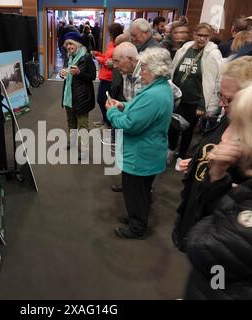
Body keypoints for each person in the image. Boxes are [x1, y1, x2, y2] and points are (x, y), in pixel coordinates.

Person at [184, 71, 252, 299]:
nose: (237, 134)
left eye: (245, 125)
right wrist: (217, 175)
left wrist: (218, 217)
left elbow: (206, 250)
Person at [171, 56, 252, 253]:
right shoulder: (230, 118)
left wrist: (220, 176)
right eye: (221, 96)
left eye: (228, 99)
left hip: (219, 238)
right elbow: (211, 146)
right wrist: (197, 161)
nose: (221, 104)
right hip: (194, 214)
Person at [105, 47, 173, 239]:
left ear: (155, 70)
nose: (140, 72)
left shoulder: (154, 95)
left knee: (135, 191)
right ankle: (136, 215)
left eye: (143, 68)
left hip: (140, 154)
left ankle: (137, 226)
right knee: (141, 191)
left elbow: (129, 125)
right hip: (148, 151)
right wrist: (123, 105)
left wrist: (112, 112)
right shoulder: (160, 89)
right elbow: (139, 110)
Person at [168, 23, 222, 162]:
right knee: (172, 125)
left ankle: (181, 156)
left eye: (206, 36)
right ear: (194, 34)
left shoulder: (213, 54)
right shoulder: (185, 49)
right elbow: (173, 70)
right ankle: (170, 150)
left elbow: (213, 81)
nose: (202, 39)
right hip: (178, 97)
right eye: (199, 35)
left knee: (188, 129)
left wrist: (203, 105)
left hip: (194, 101)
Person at [58, 32, 96, 158]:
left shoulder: (86, 57)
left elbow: (92, 77)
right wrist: (62, 74)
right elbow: (68, 74)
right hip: (69, 96)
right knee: (71, 122)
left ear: (77, 44)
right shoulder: (69, 57)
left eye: (70, 44)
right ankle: (72, 142)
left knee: (83, 124)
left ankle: (84, 150)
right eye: (66, 45)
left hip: (82, 97)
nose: (68, 47)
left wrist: (79, 73)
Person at [92, 23, 124, 128]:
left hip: (110, 78)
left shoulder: (118, 45)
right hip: (104, 76)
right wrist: (98, 54)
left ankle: (108, 123)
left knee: (105, 100)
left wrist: (99, 59)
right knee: (101, 100)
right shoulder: (111, 43)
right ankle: (105, 120)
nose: (108, 34)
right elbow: (106, 57)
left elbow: (110, 63)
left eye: (110, 33)